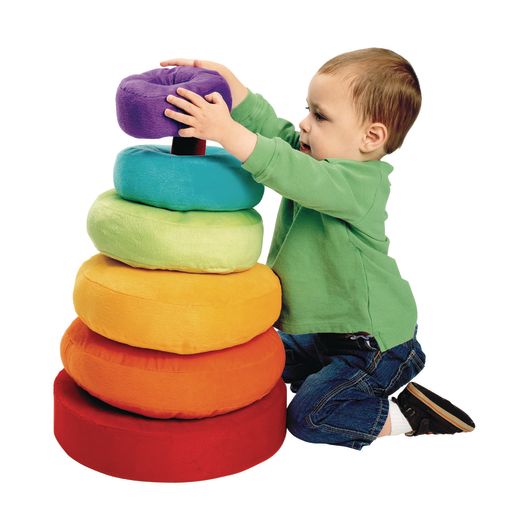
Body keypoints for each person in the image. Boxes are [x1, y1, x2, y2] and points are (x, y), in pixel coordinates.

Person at [159, 48, 475, 450]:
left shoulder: (358, 185)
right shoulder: (317, 158)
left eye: (320, 117)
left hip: (377, 347)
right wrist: (235, 91)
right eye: (308, 110)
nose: (305, 124)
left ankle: (407, 414)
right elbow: (277, 135)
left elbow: (288, 169)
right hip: (325, 336)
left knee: (309, 416)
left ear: (371, 137)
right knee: (255, 358)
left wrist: (226, 132)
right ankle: (329, 379)